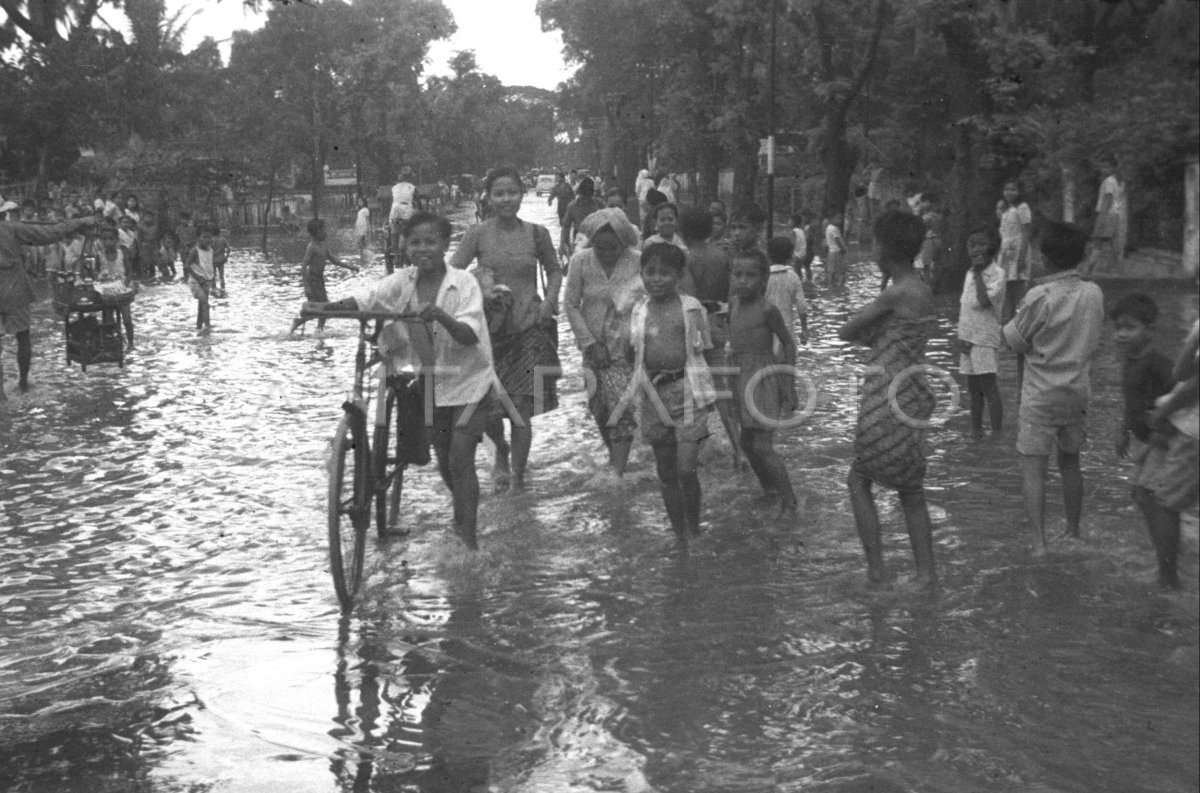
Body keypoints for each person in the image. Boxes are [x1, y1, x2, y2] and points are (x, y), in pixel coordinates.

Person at [314, 212, 496, 550]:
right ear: (405, 246)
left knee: (460, 454)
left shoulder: (464, 283)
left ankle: (468, 544)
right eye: (415, 242)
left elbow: (469, 335)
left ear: (444, 244)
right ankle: (465, 507)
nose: (422, 248)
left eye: (430, 242)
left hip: (470, 380)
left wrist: (439, 314)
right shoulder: (403, 281)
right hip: (431, 380)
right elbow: (367, 300)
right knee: (443, 457)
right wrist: (323, 309)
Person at [838, 210, 939, 589]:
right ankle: (926, 575)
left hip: (887, 399)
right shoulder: (922, 289)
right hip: (912, 396)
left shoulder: (897, 293)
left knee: (859, 480)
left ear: (883, 248)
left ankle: (877, 570)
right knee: (912, 491)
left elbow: (847, 329)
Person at [450, 166, 562, 493]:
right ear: (488, 197)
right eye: (498, 193)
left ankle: (517, 478)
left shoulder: (537, 234)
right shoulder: (477, 235)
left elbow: (555, 271)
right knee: (489, 412)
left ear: (521, 194)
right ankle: (500, 448)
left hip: (528, 328)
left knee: (521, 408)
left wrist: (549, 303)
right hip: (487, 334)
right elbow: (452, 273)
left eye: (511, 192)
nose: (505, 199)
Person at [1002, 221, 1104, 555]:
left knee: (1034, 470)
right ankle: (1073, 532)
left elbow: (1013, 341)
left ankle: (1039, 543)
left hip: (1041, 395)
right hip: (1077, 393)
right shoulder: (1093, 293)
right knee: (1070, 463)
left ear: (1044, 258)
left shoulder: (1039, 296)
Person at [631, 242, 716, 539]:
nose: (656, 279)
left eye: (664, 273)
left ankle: (694, 529)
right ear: (640, 274)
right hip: (654, 395)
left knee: (686, 470)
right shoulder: (640, 310)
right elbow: (635, 353)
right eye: (650, 272)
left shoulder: (690, 308)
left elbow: (706, 351)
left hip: (687, 391)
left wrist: (716, 395)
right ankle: (680, 535)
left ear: (678, 276)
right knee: (666, 473)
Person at [563, 208, 644, 476]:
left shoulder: (638, 261)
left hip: (627, 347)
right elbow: (571, 304)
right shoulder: (580, 261)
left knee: (621, 405)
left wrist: (639, 342)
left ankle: (618, 472)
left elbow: (646, 302)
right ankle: (615, 457)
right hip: (592, 345)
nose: (607, 253)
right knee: (598, 407)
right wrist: (589, 343)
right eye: (601, 247)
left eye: (613, 247)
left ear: (623, 243)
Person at [1109, 293, 1179, 587]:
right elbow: (1132, 399)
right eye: (1118, 328)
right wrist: (1123, 428)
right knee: (1144, 497)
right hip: (1143, 440)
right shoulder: (1132, 360)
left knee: (1151, 498)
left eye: (1130, 327)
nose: (1122, 334)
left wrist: (1164, 430)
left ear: (1150, 330)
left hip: (1161, 441)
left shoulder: (1158, 363)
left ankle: (1168, 575)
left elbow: (1181, 395)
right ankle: (1165, 560)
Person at [729, 248, 798, 514]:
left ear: (764, 279)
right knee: (746, 442)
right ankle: (769, 489)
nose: (743, 281)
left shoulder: (768, 310)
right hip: (739, 377)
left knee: (762, 444)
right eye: (738, 275)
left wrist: (788, 382)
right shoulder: (734, 303)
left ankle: (789, 499)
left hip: (763, 379)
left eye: (750, 275)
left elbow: (788, 344)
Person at [0, 212, 96, 398]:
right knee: (23, 336)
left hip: (12, 285)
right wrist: (79, 222)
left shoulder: (12, 228)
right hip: (14, 287)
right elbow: (48, 234)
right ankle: (23, 382)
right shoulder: (11, 228)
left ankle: (2, 394)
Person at [678, 206, 742, 468]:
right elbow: (733, 291)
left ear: (682, 231)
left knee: (695, 386)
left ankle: (700, 445)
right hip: (721, 320)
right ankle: (738, 447)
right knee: (721, 386)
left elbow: (690, 300)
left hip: (697, 325)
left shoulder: (687, 259)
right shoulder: (722, 255)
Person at [1143, 318, 1199, 589]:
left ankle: (1168, 580)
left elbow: (1186, 379)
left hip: (1193, 432)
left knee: (1166, 503)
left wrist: (1163, 412)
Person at [956, 226, 1007, 438]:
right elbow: (965, 307)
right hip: (968, 338)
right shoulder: (970, 273)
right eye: (972, 245)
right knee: (973, 390)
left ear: (993, 248)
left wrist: (978, 275)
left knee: (988, 387)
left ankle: (996, 434)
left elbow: (984, 301)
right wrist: (961, 337)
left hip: (984, 338)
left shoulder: (998, 274)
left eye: (981, 244)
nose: (976, 249)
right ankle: (975, 431)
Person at [290, 218, 360, 333]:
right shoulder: (311, 247)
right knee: (323, 308)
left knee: (321, 309)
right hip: (313, 281)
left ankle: (314, 328)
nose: (326, 233)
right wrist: (306, 286)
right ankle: (315, 329)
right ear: (318, 232)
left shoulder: (323, 245)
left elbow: (333, 260)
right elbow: (303, 266)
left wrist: (350, 267)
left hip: (319, 281)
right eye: (324, 230)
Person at [996, 180, 1034, 323]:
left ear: (1019, 192)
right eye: (1006, 189)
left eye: (1013, 189)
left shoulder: (1022, 207)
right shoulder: (1005, 209)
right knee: (1005, 287)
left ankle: (1024, 322)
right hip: (1006, 251)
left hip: (1018, 249)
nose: (1009, 192)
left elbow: (1026, 231)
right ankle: (1008, 321)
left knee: (1019, 286)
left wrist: (1021, 256)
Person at [94, 223, 136, 347]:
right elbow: (96, 273)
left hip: (122, 289)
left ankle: (131, 343)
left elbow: (129, 272)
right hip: (106, 289)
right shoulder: (100, 255)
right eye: (104, 239)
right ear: (101, 241)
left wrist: (124, 286)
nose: (108, 242)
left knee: (127, 319)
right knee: (109, 318)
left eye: (111, 239)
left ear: (116, 240)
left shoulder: (122, 253)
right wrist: (100, 278)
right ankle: (116, 340)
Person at [765, 236, 809, 353]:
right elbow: (802, 306)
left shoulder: (763, 277)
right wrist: (804, 329)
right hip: (786, 331)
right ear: (790, 256)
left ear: (768, 255)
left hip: (765, 332)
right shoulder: (793, 277)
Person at [1091, 157, 1126, 276]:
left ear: (1114, 168)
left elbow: (1108, 198)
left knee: (1097, 240)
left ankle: (1093, 268)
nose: (1104, 169)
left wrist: (1102, 217)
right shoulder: (1112, 180)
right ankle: (1114, 269)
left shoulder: (1109, 181)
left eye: (1107, 167)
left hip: (1107, 214)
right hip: (1113, 214)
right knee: (1111, 242)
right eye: (1102, 167)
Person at [183, 224, 218, 334]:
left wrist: (213, 282)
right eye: (204, 237)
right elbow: (186, 266)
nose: (207, 240)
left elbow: (210, 266)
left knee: (201, 307)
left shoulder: (210, 250)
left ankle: (198, 328)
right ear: (198, 238)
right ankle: (207, 328)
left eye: (209, 237)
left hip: (206, 281)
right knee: (205, 304)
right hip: (196, 282)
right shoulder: (195, 250)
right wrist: (198, 277)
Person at [559, 177, 605, 259]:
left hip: (598, 239)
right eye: (585, 196)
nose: (587, 199)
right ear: (581, 194)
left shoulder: (599, 204)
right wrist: (562, 244)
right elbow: (566, 226)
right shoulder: (572, 206)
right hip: (580, 239)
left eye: (589, 196)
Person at [388, 167, 417, 272]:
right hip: (407, 212)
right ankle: (404, 255)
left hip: (395, 211)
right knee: (408, 231)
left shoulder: (394, 188)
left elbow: (391, 202)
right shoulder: (412, 187)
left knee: (394, 232)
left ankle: (396, 256)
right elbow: (417, 201)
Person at [824, 211, 847, 289]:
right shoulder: (834, 229)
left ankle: (831, 286)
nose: (840, 221)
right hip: (837, 252)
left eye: (840, 219)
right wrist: (844, 249)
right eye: (838, 219)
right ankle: (840, 288)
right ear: (832, 219)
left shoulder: (828, 228)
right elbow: (838, 240)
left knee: (831, 271)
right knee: (841, 272)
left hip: (831, 252)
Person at [210, 222, 230, 295]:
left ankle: (214, 289)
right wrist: (226, 257)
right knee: (221, 276)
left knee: (213, 276)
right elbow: (228, 249)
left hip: (212, 261)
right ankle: (223, 289)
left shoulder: (210, 240)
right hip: (221, 260)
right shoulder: (223, 240)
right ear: (219, 233)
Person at [790, 213, 810, 282]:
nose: (788, 222)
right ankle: (801, 284)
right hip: (803, 254)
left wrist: (791, 255)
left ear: (793, 222)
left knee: (795, 271)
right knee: (799, 271)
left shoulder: (794, 231)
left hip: (797, 255)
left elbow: (793, 244)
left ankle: (797, 285)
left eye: (789, 221)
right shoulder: (801, 231)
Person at [353, 196, 371, 266]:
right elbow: (358, 219)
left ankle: (363, 255)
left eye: (361, 201)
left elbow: (367, 219)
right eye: (358, 201)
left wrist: (368, 228)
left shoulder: (366, 210)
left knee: (360, 241)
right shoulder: (360, 211)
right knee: (360, 242)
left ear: (364, 202)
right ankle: (362, 255)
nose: (359, 203)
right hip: (359, 227)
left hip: (363, 227)